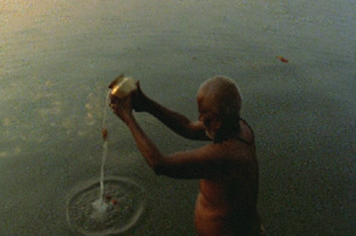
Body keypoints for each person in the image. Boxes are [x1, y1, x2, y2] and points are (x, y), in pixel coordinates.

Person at [109, 75, 265, 236]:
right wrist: (147, 104)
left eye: (204, 115)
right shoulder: (237, 126)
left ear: (217, 121)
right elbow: (187, 127)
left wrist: (128, 118)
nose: (199, 119)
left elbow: (160, 164)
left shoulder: (225, 155)